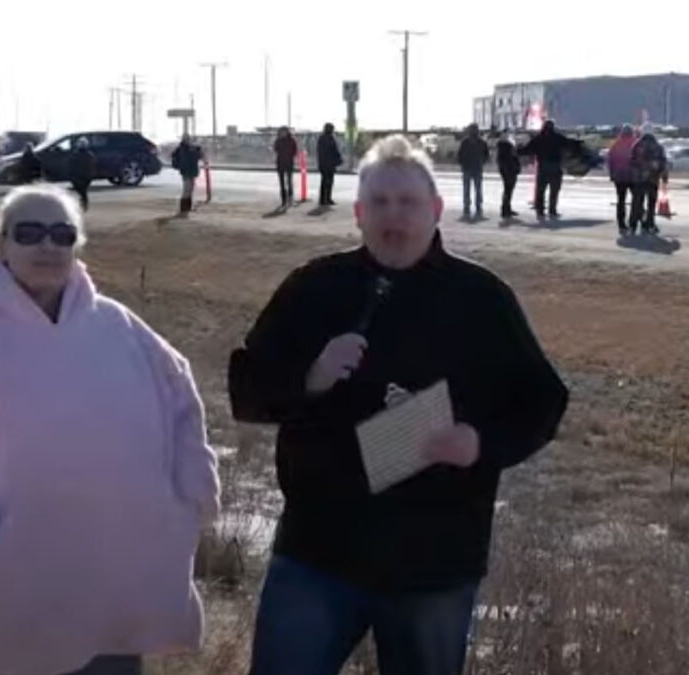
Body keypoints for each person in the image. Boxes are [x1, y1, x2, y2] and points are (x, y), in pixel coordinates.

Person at [228, 134, 568, 675]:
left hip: (434, 560)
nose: (394, 217)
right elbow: (246, 389)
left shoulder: (481, 298)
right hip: (319, 551)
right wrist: (309, 377)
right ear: (358, 213)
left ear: (435, 210)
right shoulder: (314, 288)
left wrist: (479, 442)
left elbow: (543, 400)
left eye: (408, 203)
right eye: (380, 204)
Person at [0, 184, 220, 675]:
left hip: (105, 601)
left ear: (77, 245)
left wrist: (192, 493)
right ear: (2, 243)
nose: (47, 246)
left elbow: (180, 397)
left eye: (62, 234)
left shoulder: (119, 329)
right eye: (30, 233)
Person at [518, 120, 580, 219]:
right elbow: (568, 144)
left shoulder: (539, 138)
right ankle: (552, 210)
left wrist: (517, 151)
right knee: (554, 190)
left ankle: (540, 210)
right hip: (555, 166)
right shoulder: (557, 137)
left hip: (542, 167)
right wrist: (579, 143)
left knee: (540, 190)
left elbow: (528, 149)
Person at [629, 124, 669, 235]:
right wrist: (664, 177)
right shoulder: (658, 147)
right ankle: (649, 224)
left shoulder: (636, 145)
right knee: (651, 204)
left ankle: (633, 225)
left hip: (639, 180)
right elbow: (663, 163)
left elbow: (631, 162)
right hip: (653, 179)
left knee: (637, 203)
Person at [607, 124, 639, 235]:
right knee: (636, 199)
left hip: (619, 176)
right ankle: (633, 222)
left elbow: (610, 161)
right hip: (632, 176)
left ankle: (621, 224)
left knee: (621, 200)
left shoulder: (616, 144)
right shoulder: (635, 143)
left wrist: (611, 174)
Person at [457, 123, 489, 220]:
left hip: (468, 168)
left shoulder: (465, 142)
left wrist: (462, 164)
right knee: (477, 189)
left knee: (468, 190)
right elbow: (486, 155)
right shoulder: (481, 142)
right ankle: (478, 208)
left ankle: (467, 208)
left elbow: (459, 155)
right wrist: (482, 162)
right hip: (476, 168)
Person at [171, 133, 206, 217]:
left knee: (190, 189)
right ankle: (183, 209)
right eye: (186, 138)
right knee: (187, 189)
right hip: (186, 171)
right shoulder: (182, 148)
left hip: (190, 171)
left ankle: (187, 208)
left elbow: (200, 155)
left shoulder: (192, 148)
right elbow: (174, 157)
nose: (187, 140)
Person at [496, 131, 522, 218]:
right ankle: (506, 209)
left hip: (506, 171)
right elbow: (513, 159)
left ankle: (506, 208)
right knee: (508, 190)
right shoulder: (508, 147)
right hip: (510, 171)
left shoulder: (502, 148)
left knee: (507, 190)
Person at [317, 123, 343, 207]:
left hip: (329, 164)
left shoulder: (329, 138)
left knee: (329, 182)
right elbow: (326, 152)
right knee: (325, 182)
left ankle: (327, 198)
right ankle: (324, 199)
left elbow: (334, 150)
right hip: (326, 164)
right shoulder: (324, 139)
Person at [274, 127, 299, 208]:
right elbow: (276, 149)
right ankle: (283, 200)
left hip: (289, 163)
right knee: (282, 183)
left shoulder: (291, 140)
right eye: (281, 132)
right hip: (280, 163)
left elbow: (295, 151)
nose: (283, 133)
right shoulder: (278, 140)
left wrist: (290, 156)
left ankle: (290, 199)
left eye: (284, 132)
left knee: (289, 182)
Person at [69, 136, 96, 211]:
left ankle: (83, 204)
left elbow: (71, 165)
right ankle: (83, 203)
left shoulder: (78, 154)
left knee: (81, 191)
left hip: (81, 176)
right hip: (82, 176)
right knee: (82, 191)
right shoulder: (89, 155)